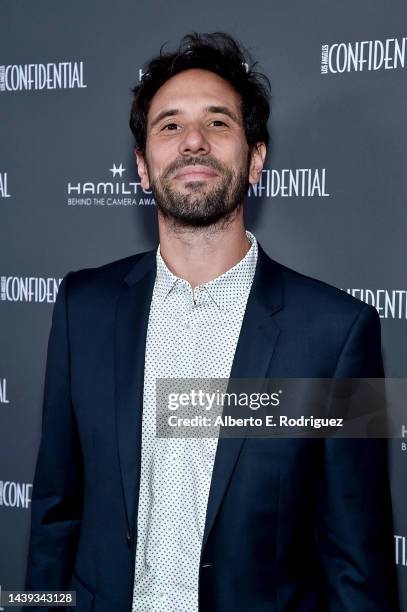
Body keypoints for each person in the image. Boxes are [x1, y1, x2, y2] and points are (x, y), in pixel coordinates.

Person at [25, 32, 398, 612]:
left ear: (256, 160)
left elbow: (357, 562)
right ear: (143, 169)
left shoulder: (337, 333)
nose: (193, 141)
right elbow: (54, 517)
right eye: (169, 126)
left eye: (218, 123)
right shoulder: (83, 308)